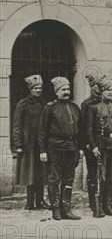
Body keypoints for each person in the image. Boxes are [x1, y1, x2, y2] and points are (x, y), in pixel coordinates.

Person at [38, 77, 82, 220]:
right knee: (54, 179)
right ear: (56, 92)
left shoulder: (75, 107)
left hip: (71, 148)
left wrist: (80, 148)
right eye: (63, 89)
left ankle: (66, 209)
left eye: (68, 89)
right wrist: (43, 150)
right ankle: (55, 209)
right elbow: (42, 131)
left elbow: (80, 131)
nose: (66, 92)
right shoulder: (50, 108)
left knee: (69, 179)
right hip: (54, 148)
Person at [12, 75, 49, 210]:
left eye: (40, 88)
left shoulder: (44, 104)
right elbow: (17, 126)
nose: (38, 90)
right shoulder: (23, 104)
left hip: (41, 143)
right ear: (30, 90)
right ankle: (30, 202)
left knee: (41, 172)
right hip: (28, 144)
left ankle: (40, 201)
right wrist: (18, 144)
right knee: (30, 172)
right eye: (36, 88)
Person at [87, 77, 112, 216]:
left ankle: (108, 204)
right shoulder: (94, 107)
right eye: (108, 90)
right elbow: (88, 129)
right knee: (101, 176)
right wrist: (94, 146)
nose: (110, 92)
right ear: (101, 91)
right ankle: (99, 206)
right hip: (100, 144)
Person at [80, 74, 106, 215]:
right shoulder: (86, 104)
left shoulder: (104, 101)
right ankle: (94, 203)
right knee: (93, 173)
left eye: (102, 86)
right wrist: (87, 145)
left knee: (104, 173)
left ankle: (102, 201)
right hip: (92, 144)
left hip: (104, 143)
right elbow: (84, 127)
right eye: (97, 86)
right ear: (92, 87)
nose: (100, 89)